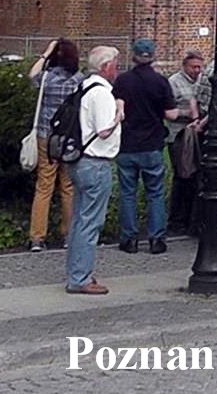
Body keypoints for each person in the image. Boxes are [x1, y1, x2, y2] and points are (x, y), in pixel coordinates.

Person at [112, 38, 179, 254]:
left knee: (128, 193)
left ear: (134, 56)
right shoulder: (160, 81)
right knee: (155, 193)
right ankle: (156, 239)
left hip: (127, 144)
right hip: (152, 144)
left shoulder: (122, 81)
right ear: (152, 57)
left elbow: (116, 107)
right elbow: (171, 114)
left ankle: (129, 239)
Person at [67, 46, 124, 295]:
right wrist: (119, 113)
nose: (118, 69)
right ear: (106, 67)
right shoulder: (102, 94)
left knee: (80, 220)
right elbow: (104, 130)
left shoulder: (84, 86)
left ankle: (77, 271)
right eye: (116, 64)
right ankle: (81, 277)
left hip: (80, 159)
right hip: (96, 162)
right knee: (90, 221)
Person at [27, 37, 82, 252]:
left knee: (44, 186)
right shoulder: (78, 80)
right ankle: (68, 235)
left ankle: (37, 237)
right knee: (68, 187)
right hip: (68, 138)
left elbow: (32, 76)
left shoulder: (47, 78)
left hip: (45, 136)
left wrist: (45, 54)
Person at [165, 49, 207, 234]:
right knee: (182, 176)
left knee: (197, 177)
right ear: (185, 66)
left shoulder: (202, 81)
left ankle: (192, 218)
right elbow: (168, 110)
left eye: (199, 67)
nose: (197, 70)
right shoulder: (173, 82)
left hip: (197, 135)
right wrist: (187, 113)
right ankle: (177, 219)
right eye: (193, 67)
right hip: (179, 135)